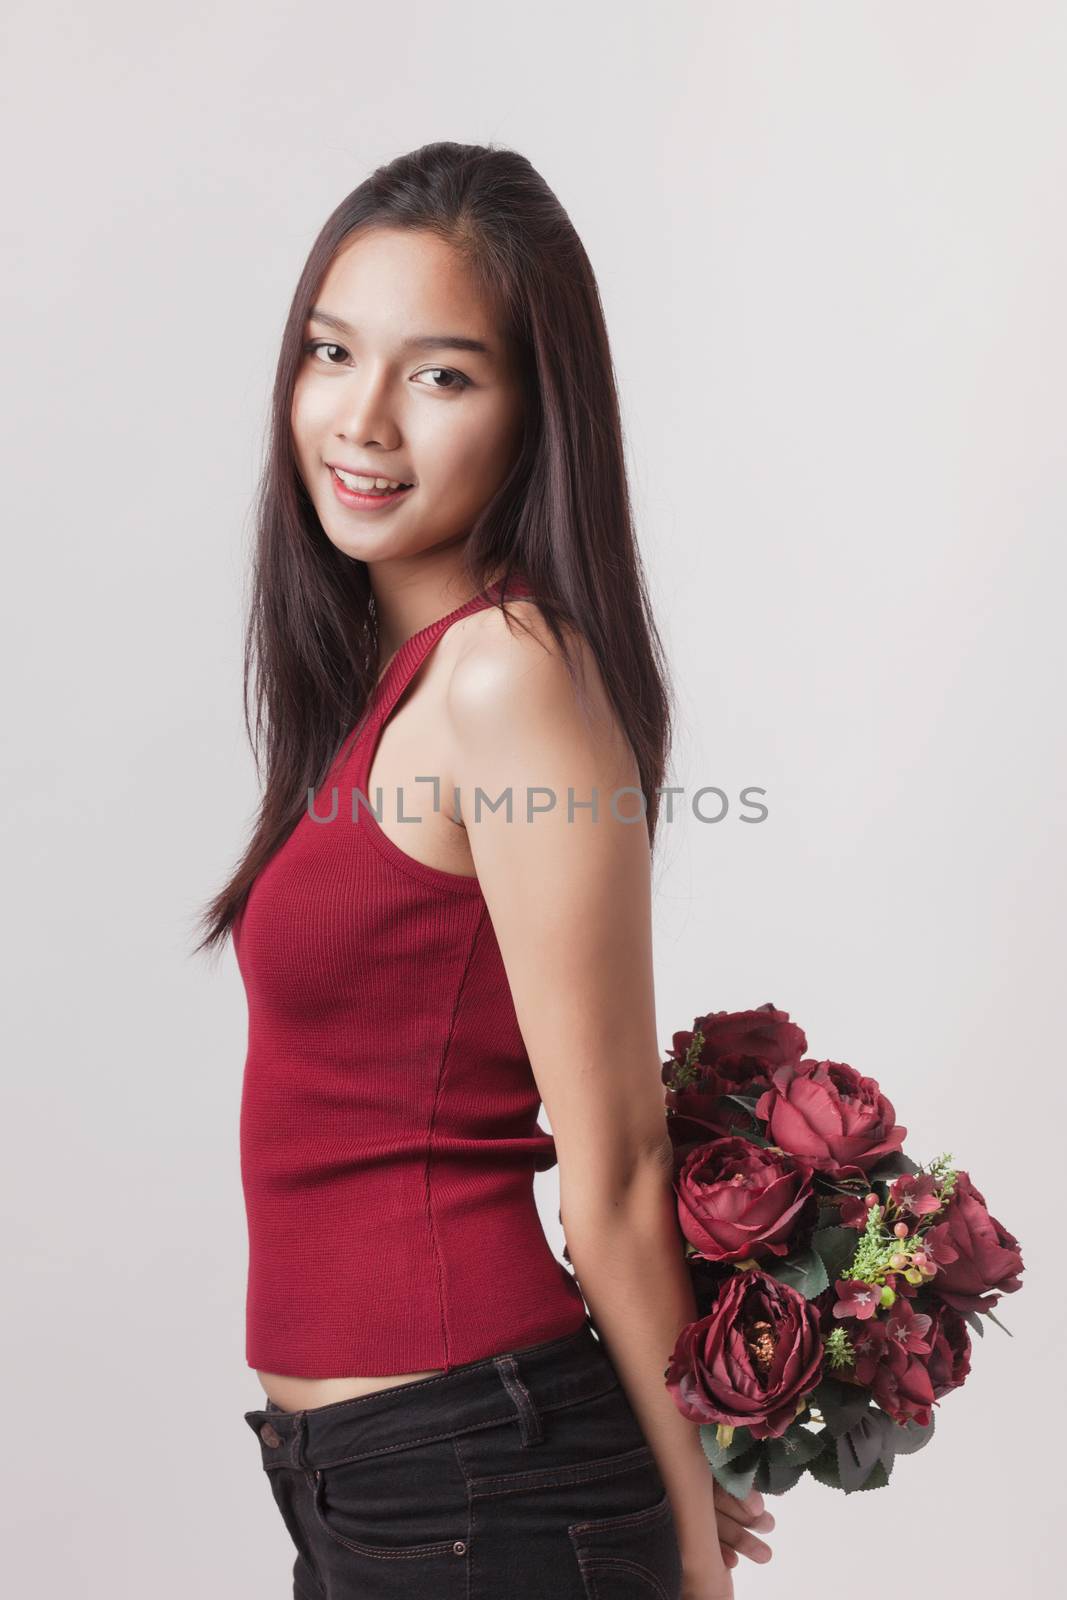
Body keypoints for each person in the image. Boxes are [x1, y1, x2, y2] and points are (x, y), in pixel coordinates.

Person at [195, 140, 775, 1600]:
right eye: (334, 352)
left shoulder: (504, 676)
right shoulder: (389, 688)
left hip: (478, 1476)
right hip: (373, 1483)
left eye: (442, 375)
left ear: (534, 414)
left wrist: (695, 1536)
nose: (365, 418)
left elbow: (619, 1166)